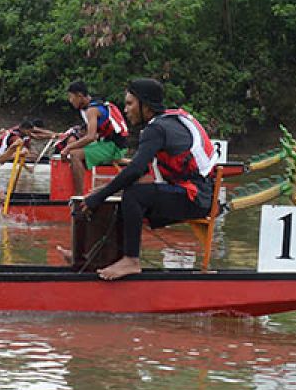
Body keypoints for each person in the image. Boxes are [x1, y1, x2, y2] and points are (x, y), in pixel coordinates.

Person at [81, 78, 219, 281]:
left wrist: (99, 196)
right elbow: (141, 170)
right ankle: (92, 257)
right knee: (123, 201)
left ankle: (131, 261)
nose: (125, 110)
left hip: (196, 199)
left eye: (129, 104)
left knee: (134, 196)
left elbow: (135, 170)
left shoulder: (156, 129)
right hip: (196, 196)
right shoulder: (166, 123)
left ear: (145, 105)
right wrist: (106, 191)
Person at [62, 81, 129, 196]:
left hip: (114, 146)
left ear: (79, 95)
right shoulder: (94, 105)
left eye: (71, 97)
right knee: (74, 151)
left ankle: (78, 197)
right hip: (112, 144)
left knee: (74, 155)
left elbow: (91, 137)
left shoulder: (92, 110)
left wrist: (68, 147)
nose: (70, 101)